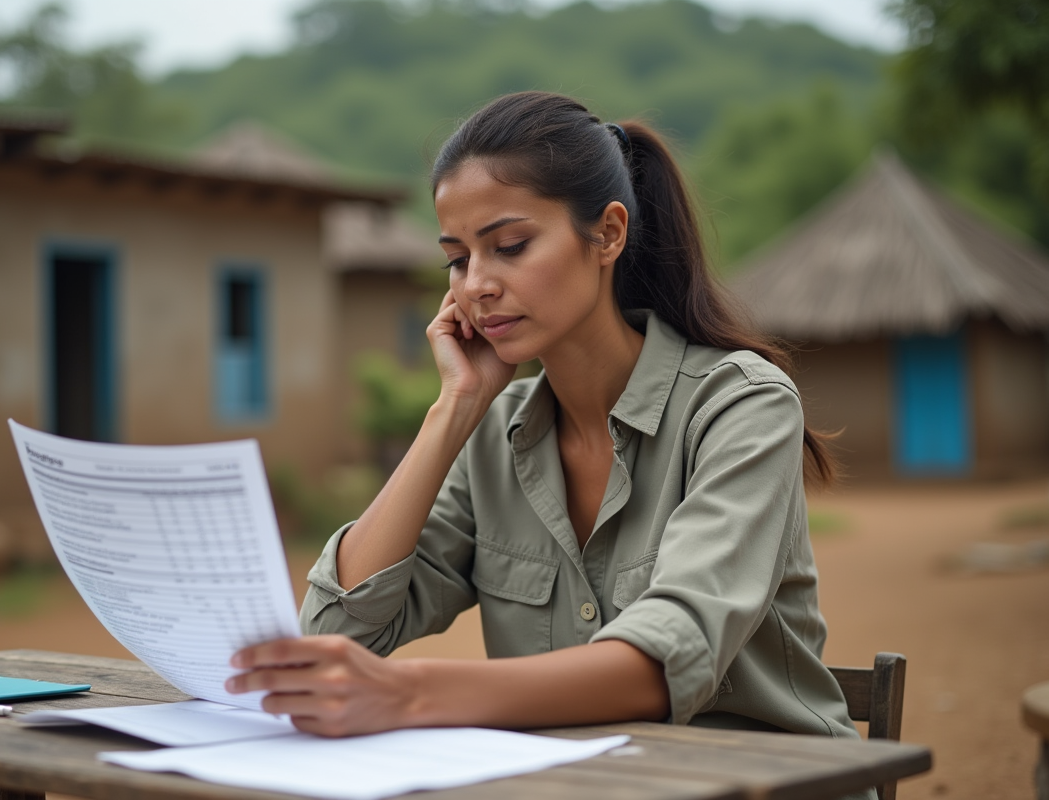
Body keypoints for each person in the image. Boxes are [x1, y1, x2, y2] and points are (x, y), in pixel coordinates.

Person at [226, 91, 859, 745]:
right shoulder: (491, 436)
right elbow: (333, 633)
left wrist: (409, 693)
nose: (476, 284)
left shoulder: (742, 407)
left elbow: (664, 660)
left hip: (755, 779)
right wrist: (453, 409)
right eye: (458, 259)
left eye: (510, 245)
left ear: (607, 234)